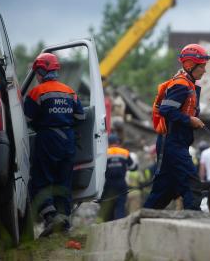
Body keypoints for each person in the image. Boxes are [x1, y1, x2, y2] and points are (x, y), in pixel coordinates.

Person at [144, 43, 210, 210]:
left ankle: (144, 218)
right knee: (191, 183)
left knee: (164, 190)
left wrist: (191, 120)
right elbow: (166, 110)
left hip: (174, 143)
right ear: (190, 64)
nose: (204, 70)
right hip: (172, 143)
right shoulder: (181, 85)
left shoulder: (187, 84)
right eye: (202, 66)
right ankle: (195, 220)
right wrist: (190, 120)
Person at [24, 52, 85, 234]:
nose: (36, 76)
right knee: (64, 182)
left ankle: (51, 218)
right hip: (68, 141)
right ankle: (64, 223)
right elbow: (81, 116)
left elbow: (25, 119)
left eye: (37, 72)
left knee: (42, 181)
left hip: (47, 140)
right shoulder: (70, 91)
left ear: (42, 70)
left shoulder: (36, 92)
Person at [99, 133, 134, 221]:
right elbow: (133, 167)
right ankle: (120, 225)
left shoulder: (104, 153)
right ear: (117, 142)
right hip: (121, 183)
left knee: (107, 206)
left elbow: (100, 169)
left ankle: (106, 225)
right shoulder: (124, 152)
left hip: (108, 184)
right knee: (120, 206)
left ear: (108, 143)